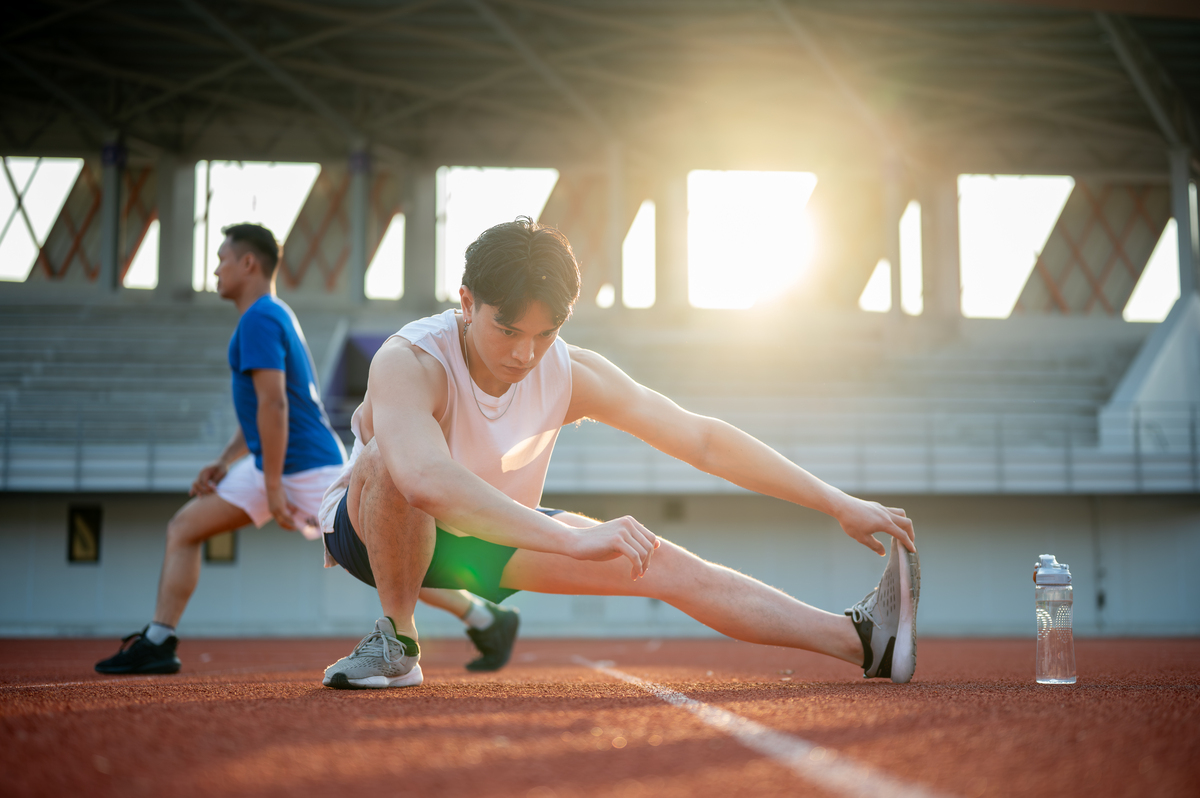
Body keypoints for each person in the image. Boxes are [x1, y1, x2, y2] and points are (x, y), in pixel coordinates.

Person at [316, 217, 920, 690]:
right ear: (468, 302)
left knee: (672, 568)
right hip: (373, 532)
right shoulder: (411, 362)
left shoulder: (571, 372)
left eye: (544, 333)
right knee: (390, 463)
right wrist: (575, 539)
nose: (525, 355)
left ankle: (863, 641)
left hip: (489, 536)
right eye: (507, 330)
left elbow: (702, 440)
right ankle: (397, 640)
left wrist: (836, 501)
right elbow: (424, 480)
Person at [95, 223, 518, 675]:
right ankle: (160, 639)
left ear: (248, 263)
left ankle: (485, 616)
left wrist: (274, 486)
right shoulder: (268, 316)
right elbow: (264, 409)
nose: (216, 269)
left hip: (306, 465)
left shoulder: (260, 317)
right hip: (272, 462)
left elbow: (275, 404)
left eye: (221, 259)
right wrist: (226, 461)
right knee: (185, 528)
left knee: (386, 553)